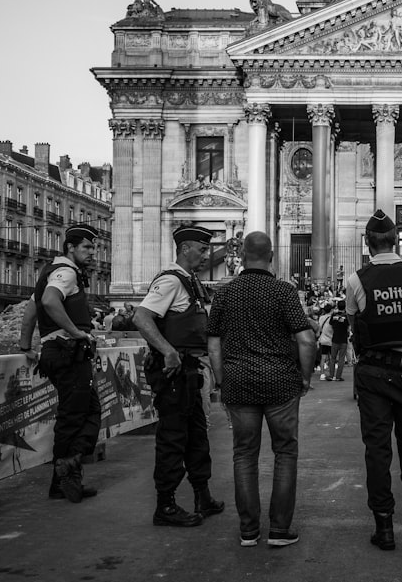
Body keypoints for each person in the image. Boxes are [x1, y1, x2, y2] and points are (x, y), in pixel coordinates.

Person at [207, 231, 315, 547]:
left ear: (241, 257)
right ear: (271, 256)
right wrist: (305, 378)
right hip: (281, 381)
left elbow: (214, 345)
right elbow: (306, 339)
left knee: (244, 454)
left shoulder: (225, 294)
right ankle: (280, 530)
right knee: (284, 452)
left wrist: (222, 381)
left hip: (238, 382)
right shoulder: (283, 291)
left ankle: (249, 530)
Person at [345, 209, 402, 551]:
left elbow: (355, 325)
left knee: (377, 451)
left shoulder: (355, 280)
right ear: (396, 240)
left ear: (368, 243)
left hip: (372, 374)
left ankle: (383, 525)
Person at [133, 224, 225, 528]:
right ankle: (166, 506)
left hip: (192, 373)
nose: (205, 254)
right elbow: (141, 317)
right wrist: (167, 351)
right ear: (185, 248)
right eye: (201, 249)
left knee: (197, 437)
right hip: (176, 374)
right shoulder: (171, 281)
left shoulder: (191, 281)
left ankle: (203, 496)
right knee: (173, 439)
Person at [28, 223, 101, 503]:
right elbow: (47, 301)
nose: (92, 252)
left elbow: (31, 309)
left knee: (81, 412)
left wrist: (26, 344)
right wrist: (76, 332)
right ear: (70, 247)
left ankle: (65, 477)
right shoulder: (66, 272)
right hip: (67, 351)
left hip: (56, 351)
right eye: (87, 247)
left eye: (93, 247)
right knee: (79, 415)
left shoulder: (49, 272)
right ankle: (66, 469)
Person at [326, 299, 350, 382]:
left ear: (337, 306)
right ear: (345, 307)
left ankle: (331, 375)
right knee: (341, 359)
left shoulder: (334, 315)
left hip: (335, 339)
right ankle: (338, 376)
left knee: (332, 358)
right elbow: (348, 326)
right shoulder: (347, 316)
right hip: (343, 340)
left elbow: (331, 324)